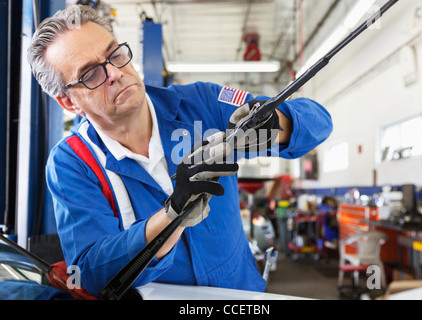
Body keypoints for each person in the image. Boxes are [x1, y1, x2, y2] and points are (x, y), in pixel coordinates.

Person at [27, 4, 333, 297]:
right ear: (68, 102)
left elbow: (319, 122)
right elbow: (92, 273)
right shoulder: (72, 163)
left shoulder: (202, 105)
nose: (114, 73)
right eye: (91, 74)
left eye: (115, 55)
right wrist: (172, 214)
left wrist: (276, 123)